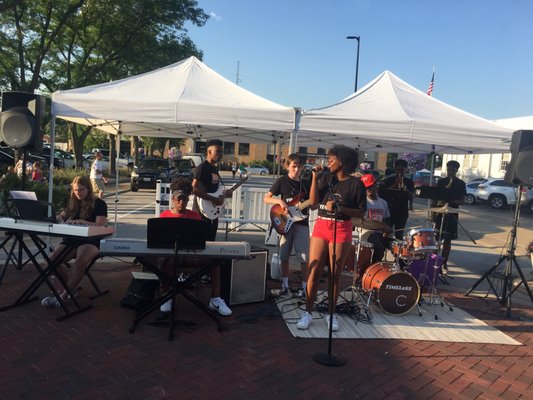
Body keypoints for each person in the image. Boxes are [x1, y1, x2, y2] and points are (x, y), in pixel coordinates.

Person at [297, 145, 366, 332]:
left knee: (335, 274)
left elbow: (361, 212)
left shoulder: (356, 184)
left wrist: (340, 209)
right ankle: (308, 313)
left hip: (342, 228)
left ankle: (331, 314)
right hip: (321, 225)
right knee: (314, 271)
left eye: (331, 158)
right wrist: (314, 178)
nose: (328, 162)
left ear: (342, 161)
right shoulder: (326, 178)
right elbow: (313, 203)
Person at [156, 178, 232, 315]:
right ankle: (166, 296)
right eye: (178, 199)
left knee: (215, 263)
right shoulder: (164, 215)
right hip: (173, 256)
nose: (181, 202)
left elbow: (201, 239)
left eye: (184, 199)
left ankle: (215, 299)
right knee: (165, 261)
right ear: (173, 199)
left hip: (192, 256)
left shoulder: (195, 216)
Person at [41, 175, 108, 308]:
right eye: (75, 190)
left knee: (79, 262)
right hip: (71, 240)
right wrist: (60, 218)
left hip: (90, 240)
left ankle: (64, 296)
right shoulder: (73, 202)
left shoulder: (99, 203)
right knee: (50, 262)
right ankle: (65, 290)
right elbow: (62, 216)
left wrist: (81, 222)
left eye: (81, 190)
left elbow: (100, 224)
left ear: (88, 188)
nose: (78, 193)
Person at [192, 139, 233, 316]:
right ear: (208, 151)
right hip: (202, 213)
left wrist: (224, 195)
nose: (219, 154)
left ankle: (207, 275)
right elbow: (194, 189)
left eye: (221, 151)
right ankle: (196, 275)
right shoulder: (203, 167)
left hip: (212, 214)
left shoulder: (215, 170)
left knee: (211, 245)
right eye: (216, 151)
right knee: (202, 244)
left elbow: (216, 191)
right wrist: (212, 199)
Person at [264, 154, 309, 298]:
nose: (296, 169)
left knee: (304, 257)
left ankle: (304, 288)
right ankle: (284, 286)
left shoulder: (306, 183)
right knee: (284, 256)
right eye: (293, 166)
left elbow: (313, 205)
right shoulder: (282, 181)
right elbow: (266, 197)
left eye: (299, 167)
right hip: (285, 222)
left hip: (302, 223)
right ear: (288, 166)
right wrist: (280, 202)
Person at [432, 160, 466, 273]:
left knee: (447, 240)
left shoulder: (461, 184)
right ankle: (434, 262)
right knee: (436, 239)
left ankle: (444, 263)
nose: (450, 172)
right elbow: (435, 198)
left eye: (452, 170)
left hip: (452, 214)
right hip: (440, 212)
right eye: (448, 170)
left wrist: (452, 200)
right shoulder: (441, 181)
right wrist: (432, 213)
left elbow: (462, 201)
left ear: (456, 171)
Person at [360, 173, 393, 264]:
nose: (369, 189)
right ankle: (373, 269)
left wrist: (387, 230)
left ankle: (400, 271)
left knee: (399, 247)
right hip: (366, 233)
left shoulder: (383, 203)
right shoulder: (362, 202)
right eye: (366, 187)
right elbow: (358, 221)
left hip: (379, 233)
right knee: (379, 248)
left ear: (376, 185)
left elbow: (386, 221)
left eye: (370, 186)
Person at [383, 159, 414, 240]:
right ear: (395, 169)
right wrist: (395, 184)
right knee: (386, 232)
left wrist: (405, 188)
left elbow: (411, 198)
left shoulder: (409, 182)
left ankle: (397, 252)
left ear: (405, 170)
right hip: (389, 209)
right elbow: (385, 194)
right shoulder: (389, 180)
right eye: (398, 169)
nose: (400, 172)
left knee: (399, 234)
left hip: (402, 211)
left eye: (402, 170)